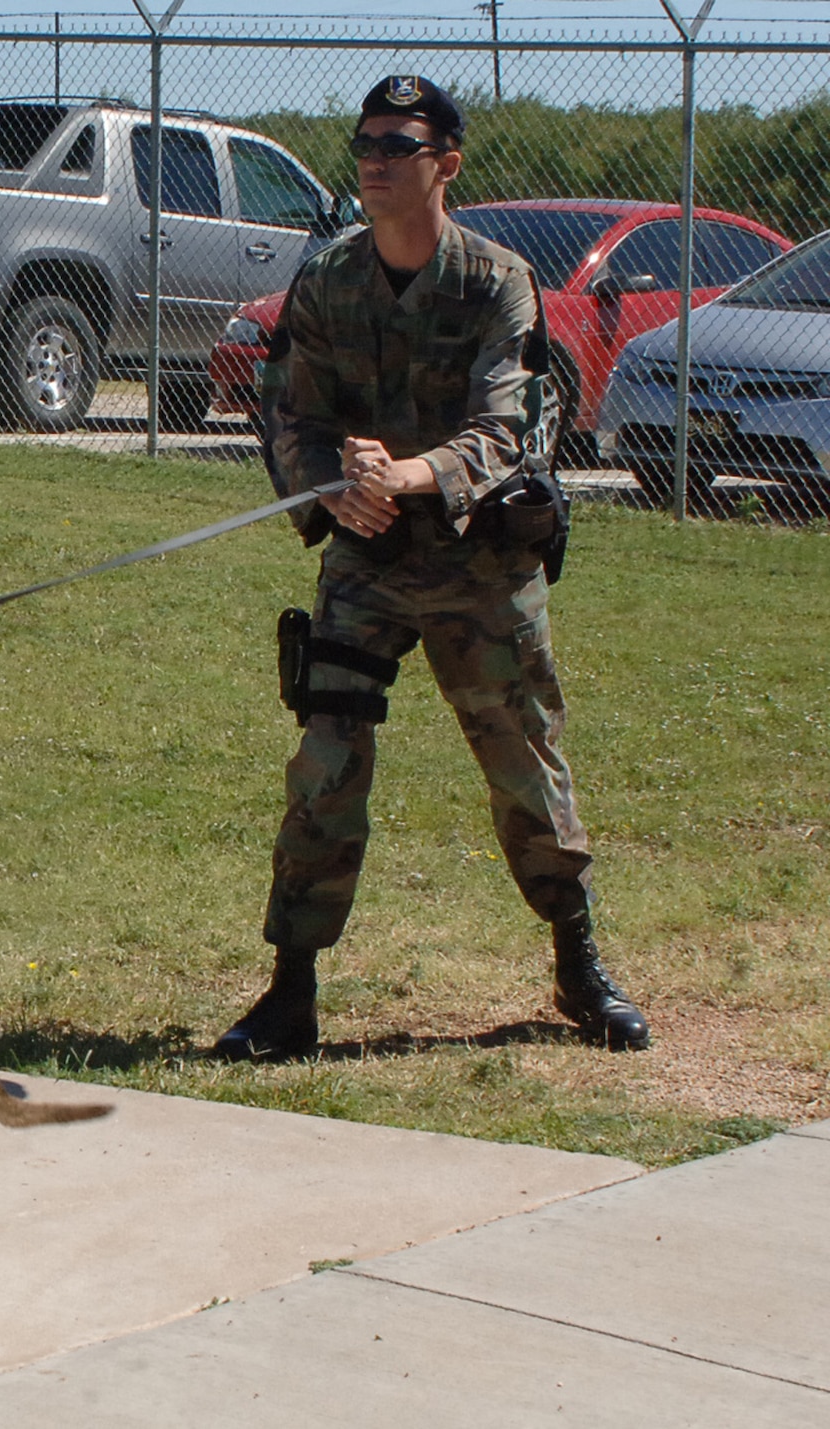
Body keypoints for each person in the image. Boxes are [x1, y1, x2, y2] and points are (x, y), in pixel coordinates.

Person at [215, 75, 650, 1063]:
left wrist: (402, 474)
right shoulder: (326, 281)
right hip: (365, 563)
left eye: (396, 145)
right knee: (324, 764)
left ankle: (578, 964)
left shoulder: (496, 280)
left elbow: (506, 429)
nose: (373, 162)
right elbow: (291, 414)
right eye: (363, 144)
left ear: (443, 162)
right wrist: (332, 487)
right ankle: (289, 991)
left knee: (522, 764)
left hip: (479, 563)